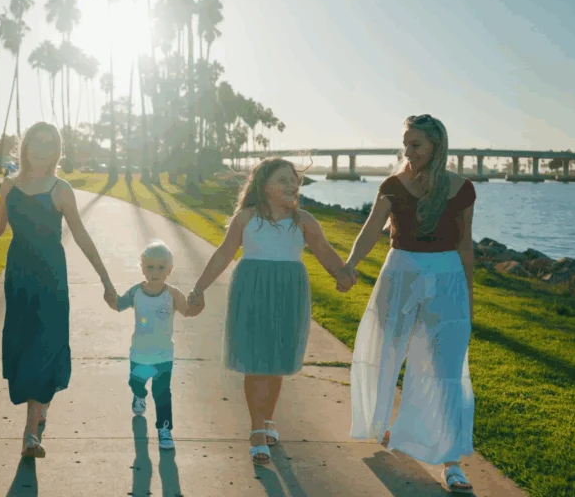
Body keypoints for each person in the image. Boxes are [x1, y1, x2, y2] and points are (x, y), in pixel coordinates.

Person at [186, 158, 354, 465]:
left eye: (294, 180)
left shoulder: (303, 220)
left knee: (276, 362)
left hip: (289, 292)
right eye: (283, 180)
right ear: (263, 186)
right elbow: (225, 253)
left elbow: (324, 250)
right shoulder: (246, 218)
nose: (291, 186)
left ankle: (267, 419)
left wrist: (342, 274)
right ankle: (256, 430)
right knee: (255, 360)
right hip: (252, 290)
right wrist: (199, 288)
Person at [342, 114, 476, 494]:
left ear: (436, 145)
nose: (408, 151)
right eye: (405, 144)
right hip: (400, 272)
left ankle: (451, 461)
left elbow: (466, 245)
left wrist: (468, 295)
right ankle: (382, 424)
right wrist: (350, 266)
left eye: (415, 144)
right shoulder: (392, 186)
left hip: (448, 276)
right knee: (387, 350)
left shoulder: (462, 189)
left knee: (445, 367)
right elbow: (371, 229)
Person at [0, 121, 116, 458]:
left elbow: (81, 236)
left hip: (51, 275)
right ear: (27, 146)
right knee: (22, 342)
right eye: (38, 141)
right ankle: (39, 405)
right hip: (19, 274)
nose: (44, 148)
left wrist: (106, 281)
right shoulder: (10, 186)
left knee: (45, 343)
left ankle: (31, 432)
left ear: (57, 150)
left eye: (51, 143)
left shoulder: (61, 189)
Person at [108, 240, 193, 450]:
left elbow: (188, 311)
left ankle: (164, 429)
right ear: (142, 268)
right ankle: (139, 395)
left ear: (170, 270)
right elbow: (118, 305)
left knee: (162, 393)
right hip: (139, 353)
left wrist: (198, 301)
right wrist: (108, 294)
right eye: (150, 267)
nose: (155, 272)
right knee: (136, 382)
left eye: (161, 268)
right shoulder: (136, 292)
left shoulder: (173, 294)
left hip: (164, 355)